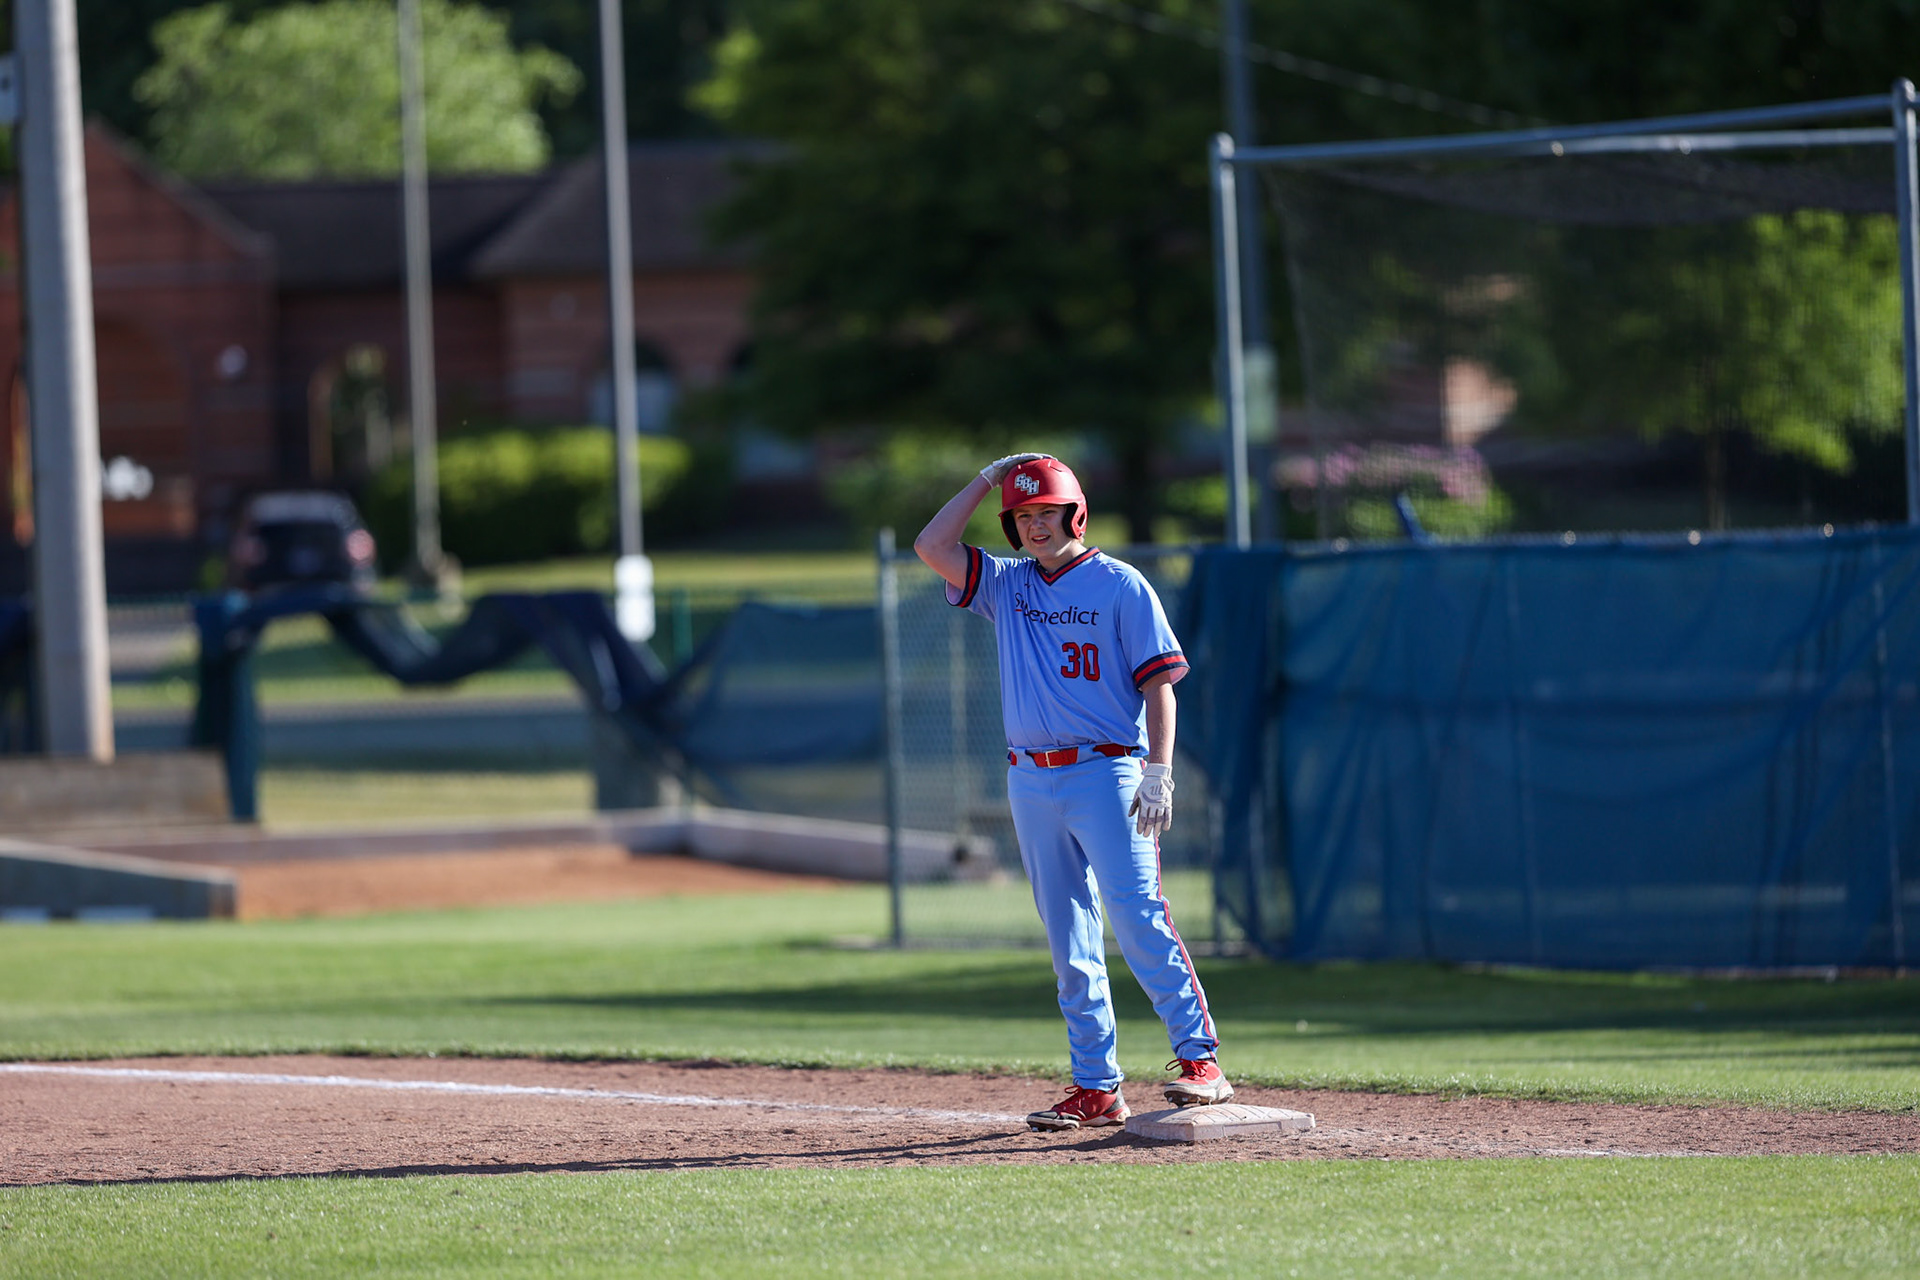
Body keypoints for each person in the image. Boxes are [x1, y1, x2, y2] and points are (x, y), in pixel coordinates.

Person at [915, 453, 1230, 1131]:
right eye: (1022, 515)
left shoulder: (1121, 584)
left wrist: (1159, 769)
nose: (1033, 525)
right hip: (1030, 776)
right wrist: (984, 480)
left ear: (1074, 513)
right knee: (1069, 937)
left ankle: (1201, 1062)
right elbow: (931, 546)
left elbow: (1159, 685)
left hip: (1108, 770)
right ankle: (1096, 1086)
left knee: (1139, 914)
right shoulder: (1006, 584)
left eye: (1044, 511)